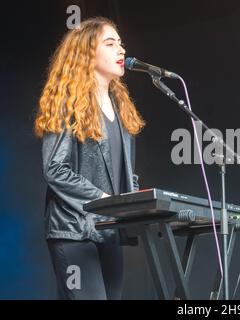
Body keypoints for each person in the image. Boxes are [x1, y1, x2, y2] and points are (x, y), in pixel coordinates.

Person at [34, 17, 145, 299]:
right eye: (110, 44)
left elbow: (122, 172)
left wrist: (133, 202)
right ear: (86, 52)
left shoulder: (121, 109)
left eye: (121, 43)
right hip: (74, 231)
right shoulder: (67, 102)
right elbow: (55, 169)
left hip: (108, 230)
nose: (121, 50)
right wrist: (103, 200)